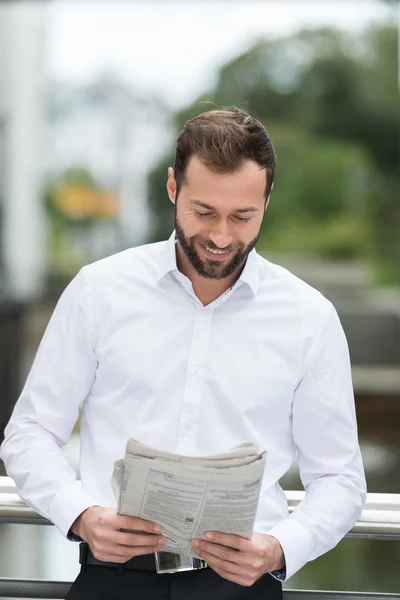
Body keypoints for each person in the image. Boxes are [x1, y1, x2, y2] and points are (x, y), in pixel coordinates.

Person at [1, 107, 366, 600]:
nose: (220, 237)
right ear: (173, 188)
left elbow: (339, 477)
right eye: (204, 212)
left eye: (243, 216)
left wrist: (281, 547)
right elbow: (29, 433)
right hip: (114, 579)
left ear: (267, 199)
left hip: (242, 587)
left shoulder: (310, 317)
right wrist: (81, 515)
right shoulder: (98, 291)